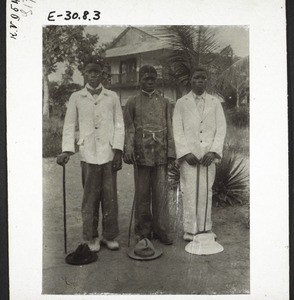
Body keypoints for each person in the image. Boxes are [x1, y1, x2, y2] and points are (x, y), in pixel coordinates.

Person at [57, 56, 125, 252]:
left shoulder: (111, 96)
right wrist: (66, 150)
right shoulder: (76, 97)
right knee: (90, 198)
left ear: (102, 74)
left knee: (110, 197)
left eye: (97, 71)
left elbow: (119, 125)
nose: (93, 75)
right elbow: (69, 125)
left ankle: (109, 236)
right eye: (89, 72)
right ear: (84, 74)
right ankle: (91, 236)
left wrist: (118, 150)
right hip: (88, 154)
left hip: (108, 153)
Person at [173, 67, 226, 242]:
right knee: (189, 191)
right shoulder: (182, 102)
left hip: (207, 156)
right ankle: (190, 229)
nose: (200, 81)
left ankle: (205, 228)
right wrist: (185, 152)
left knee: (205, 190)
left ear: (207, 80)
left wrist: (213, 151)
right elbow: (177, 129)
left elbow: (221, 128)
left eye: (203, 78)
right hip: (189, 156)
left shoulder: (215, 102)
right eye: (196, 78)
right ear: (191, 80)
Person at [123, 65, 176, 245]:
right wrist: (128, 149)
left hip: (160, 155)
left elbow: (170, 127)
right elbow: (129, 128)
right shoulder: (132, 102)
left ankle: (161, 230)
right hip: (141, 155)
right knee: (142, 194)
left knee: (161, 194)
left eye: (153, 77)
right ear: (140, 80)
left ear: (157, 80)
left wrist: (171, 152)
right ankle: (143, 231)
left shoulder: (165, 103)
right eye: (146, 78)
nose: (150, 80)